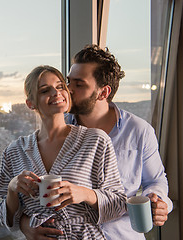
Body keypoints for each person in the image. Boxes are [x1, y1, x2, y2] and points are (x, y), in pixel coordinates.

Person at [19, 45, 173, 240]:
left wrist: (159, 200)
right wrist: (25, 223)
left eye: (79, 84)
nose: (68, 90)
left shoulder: (139, 131)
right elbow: (28, 194)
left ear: (103, 92)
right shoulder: (56, 129)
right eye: (68, 82)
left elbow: (156, 180)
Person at [0, 65, 127, 239]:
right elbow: (6, 220)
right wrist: (13, 189)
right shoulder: (14, 152)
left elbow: (119, 205)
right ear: (31, 104)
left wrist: (85, 193)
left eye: (60, 87)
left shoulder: (95, 140)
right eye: (45, 90)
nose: (56, 93)